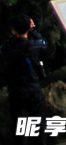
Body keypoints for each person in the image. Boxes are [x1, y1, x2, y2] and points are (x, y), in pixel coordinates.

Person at [1, 15, 47, 145]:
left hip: (17, 92)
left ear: (12, 30)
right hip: (34, 89)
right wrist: (33, 30)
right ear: (29, 27)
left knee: (21, 126)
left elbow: (4, 47)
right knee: (39, 124)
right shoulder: (35, 46)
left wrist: (13, 34)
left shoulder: (7, 49)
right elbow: (44, 44)